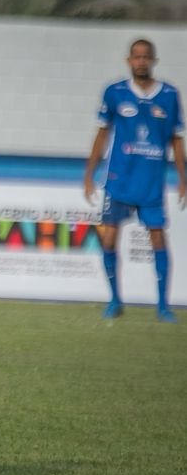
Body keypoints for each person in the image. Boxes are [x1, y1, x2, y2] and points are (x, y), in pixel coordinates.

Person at [84, 38, 187, 321]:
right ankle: (115, 300)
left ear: (153, 61)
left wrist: (183, 177)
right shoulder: (114, 92)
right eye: (137, 57)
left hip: (151, 181)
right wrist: (89, 174)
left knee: (158, 238)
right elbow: (102, 133)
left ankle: (163, 306)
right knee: (108, 238)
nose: (141, 61)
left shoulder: (169, 94)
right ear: (129, 61)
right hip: (119, 178)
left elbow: (176, 139)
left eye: (146, 57)